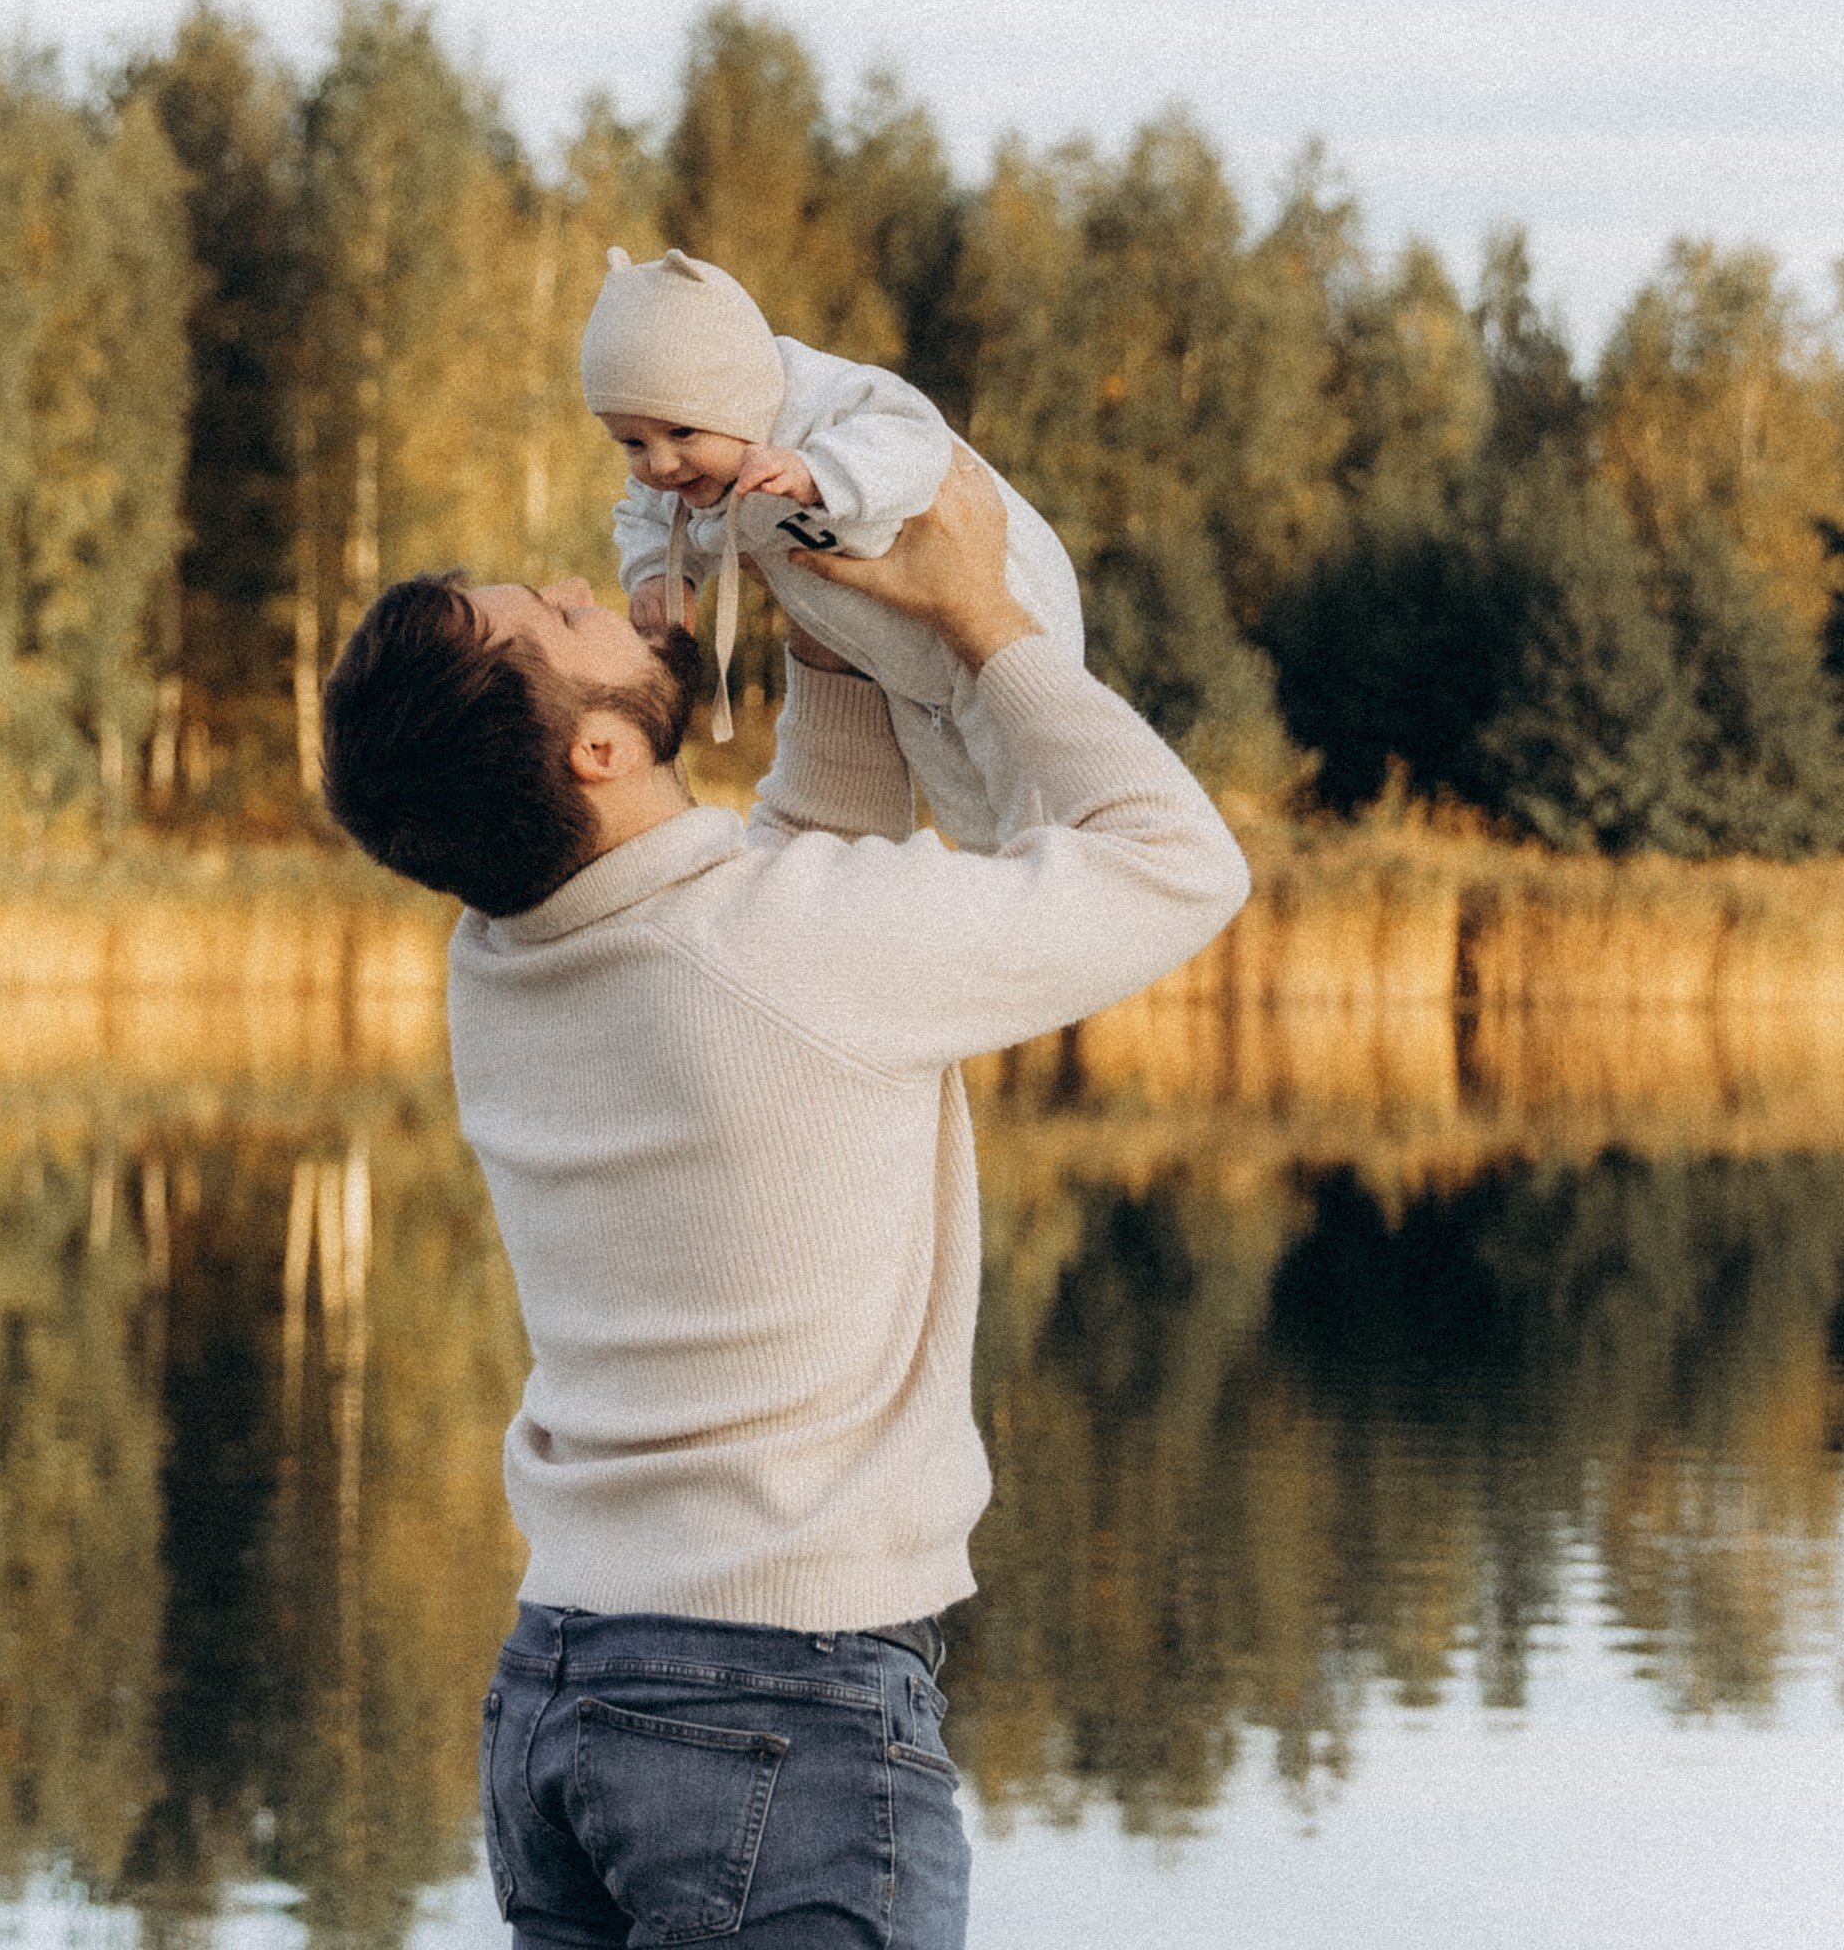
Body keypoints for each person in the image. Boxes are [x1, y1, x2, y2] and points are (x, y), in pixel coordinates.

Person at [321, 448, 1250, 1948]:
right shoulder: (779, 953)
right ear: (597, 756)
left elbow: (791, 885)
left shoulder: (502, 963)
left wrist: (827, 633)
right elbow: (1179, 868)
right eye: (556, 620)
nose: (579, 585)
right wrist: (975, 623)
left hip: (569, 1693)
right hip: (771, 1706)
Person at [581, 240, 1082, 838]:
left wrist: (818, 471)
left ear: (737, 398)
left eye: (681, 431)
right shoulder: (693, 472)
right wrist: (659, 574)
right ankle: (1006, 902)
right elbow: (645, 511)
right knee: (972, 821)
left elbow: (915, 437)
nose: (660, 463)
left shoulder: (821, 402)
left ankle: (1071, 894)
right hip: (903, 671)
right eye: (632, 443)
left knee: (1041, 808)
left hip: (1003, 619)